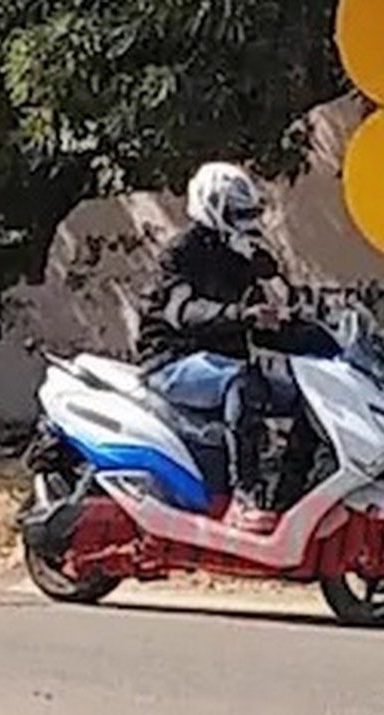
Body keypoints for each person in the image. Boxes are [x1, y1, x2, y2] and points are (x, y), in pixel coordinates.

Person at [135, 162, 297, 535]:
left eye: (250, 213)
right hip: (170, 362)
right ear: (214, 207)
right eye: (238, 213)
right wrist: (244, 314)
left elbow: (276, 303)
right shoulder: (182, 252)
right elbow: (184, 312)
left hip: (218, 362)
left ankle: (288, 495)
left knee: (304, 396)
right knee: (243, 383)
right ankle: (244, 497)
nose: (246, 221)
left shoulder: (243, 255)